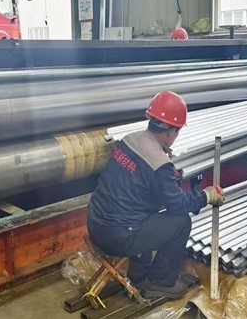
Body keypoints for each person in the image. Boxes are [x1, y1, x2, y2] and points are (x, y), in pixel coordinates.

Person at [86, 91, 225, 299]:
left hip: (95, 223)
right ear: (170, 132)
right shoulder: (159, 164)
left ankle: (138, 274)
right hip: (117, 237)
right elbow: (177, 204)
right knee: (180, 222)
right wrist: (206, 196)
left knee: (147, 212)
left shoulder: (129, 140)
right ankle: (160, 282)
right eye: (177, 132)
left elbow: (137, 185)